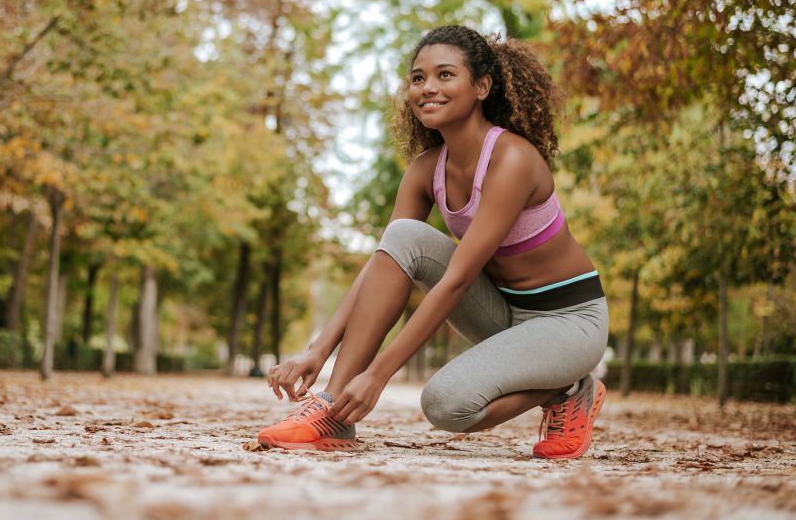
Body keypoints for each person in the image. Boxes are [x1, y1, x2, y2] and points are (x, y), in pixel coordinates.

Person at [256, 25, 609, 459]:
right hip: (504, 312)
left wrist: (379, 375)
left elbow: (458, 280)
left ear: (482, 86)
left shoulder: (513, 159)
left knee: (446, 406)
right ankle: (332, 410)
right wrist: (318, 350)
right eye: (418, 78)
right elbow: (384, 263)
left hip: (568, 321)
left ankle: (570, 386)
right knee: (402, 235)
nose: (427, 88)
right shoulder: (426, 171)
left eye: (445, 75)